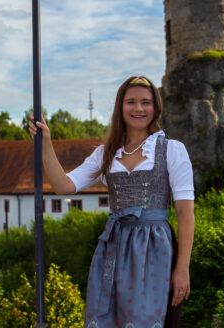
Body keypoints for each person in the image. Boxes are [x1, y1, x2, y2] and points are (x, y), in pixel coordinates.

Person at [28, 75, 194, 328]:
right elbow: (64, 186)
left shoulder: (172, 150)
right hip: (113, 248)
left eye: (146, 102)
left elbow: (185, 213)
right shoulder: (106, 153)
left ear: (155, 108)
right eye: (131, 102)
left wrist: (182, 269)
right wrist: (45, 144)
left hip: (154, 250)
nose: (138, 108)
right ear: (121, 107)